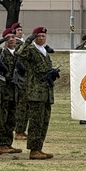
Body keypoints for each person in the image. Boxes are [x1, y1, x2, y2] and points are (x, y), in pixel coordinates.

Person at [18, 25, 58, 160]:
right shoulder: (31, 50)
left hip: (46, 91)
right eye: (39, 36)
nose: (41, 38)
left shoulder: (44, 51)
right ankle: (33, 150)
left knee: (44, 122)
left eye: (43, 36)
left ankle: (39, 148)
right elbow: (19, 53)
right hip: (36, 92)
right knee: (36, 122)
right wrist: (28, 41)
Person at [0, 29, 23, 154]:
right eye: (8, 37)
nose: (11, 39)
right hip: (4, 90)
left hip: (14, 90)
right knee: (3, 118)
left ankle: (8, 143)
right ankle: (2, 143)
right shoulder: (0, 52)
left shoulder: (17, 54)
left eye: (13, 37)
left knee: (12, 119)